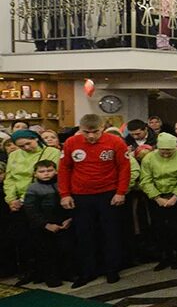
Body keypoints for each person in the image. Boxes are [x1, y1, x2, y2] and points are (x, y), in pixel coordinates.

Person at [59, 113, 131, 286]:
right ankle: (87, 271)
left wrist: (121, 192)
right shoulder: (71, 143)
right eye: (86, 132)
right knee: (84, 234)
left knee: (110, 233)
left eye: (95, 132)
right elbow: (64, 169)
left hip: (108, 194)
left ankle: (111, 269)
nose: (91, 136)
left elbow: (124, 168)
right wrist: (65, 194)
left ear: (103, 129)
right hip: (81, 195)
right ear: (80, 130)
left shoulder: (115, 142)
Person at [5, 129, 62, 285]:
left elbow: (50, 176)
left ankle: (51, 274)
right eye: (21, 146)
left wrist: (25, 199)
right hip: (19, 202)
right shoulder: (14, 155)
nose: (26, 148)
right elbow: (9, 179)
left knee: (45, 240)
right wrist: (11, 199)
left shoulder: (51, 152)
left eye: (28, 144)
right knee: (24, 240)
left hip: (43, 198)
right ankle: (29, 272)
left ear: (36, 139)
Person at [139, 132, 177, 270]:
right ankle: (164, 256)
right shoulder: (149, 158)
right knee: (158, 227)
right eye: (163, 150)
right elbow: (146, 180)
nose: (166, 153)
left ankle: (176, 255)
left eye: (169, 151)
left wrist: (175, 196)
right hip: (156, 197)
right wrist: (157, 198)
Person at [22, 159, 71, 288]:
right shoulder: (33, 188)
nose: (46, 174)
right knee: (47, 253)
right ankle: (51, 278)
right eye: (42, 171)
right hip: (43, 226)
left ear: (55, 171)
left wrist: (70, 219)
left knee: (65, 249)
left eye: (49, 170)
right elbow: (31, 210)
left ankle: (67, 273)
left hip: (63, 222)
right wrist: (46, 225)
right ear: (35, 174)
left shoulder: (63, 184)